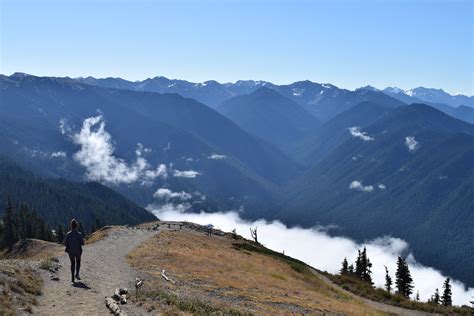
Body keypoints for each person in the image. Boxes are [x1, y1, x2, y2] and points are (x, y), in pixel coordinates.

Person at [65, 219, 84, 283]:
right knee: (78, 262)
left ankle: (72, 278)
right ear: (76, 226)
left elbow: (66, 243)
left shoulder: (68, 234)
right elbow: (82, 243)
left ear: (71, 226)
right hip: (78, 251)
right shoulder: (79, 234)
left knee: (72, 264)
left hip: (70, 251)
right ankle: (77, 274)